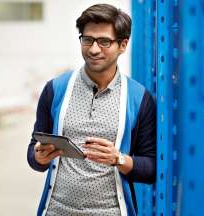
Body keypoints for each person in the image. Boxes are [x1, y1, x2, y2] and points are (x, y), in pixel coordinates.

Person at [27, 4, 156, 216]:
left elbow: (151, 168)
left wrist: (119, 159)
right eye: (87, 40)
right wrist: (38, 157)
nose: (94, 49)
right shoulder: (55, 89)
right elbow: (34, 153)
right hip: (57, 210)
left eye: (104, 41)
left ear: (123, 45)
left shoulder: (139, 98)